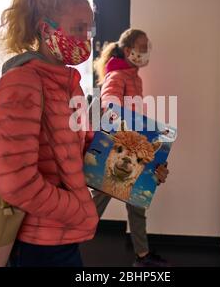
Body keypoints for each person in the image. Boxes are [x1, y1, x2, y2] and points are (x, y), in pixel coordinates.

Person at [0, 0, 99, 267]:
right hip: (38, 241)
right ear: (46, 29)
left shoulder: (69, 83)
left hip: (63, 234)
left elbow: (80, 151)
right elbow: (16, 183)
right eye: (77, 28)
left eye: (89, 29)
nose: (86, 38)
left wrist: (141, 167)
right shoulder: (21, 82)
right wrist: (77, 209)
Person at [93, 29, 170, 267]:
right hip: (118, 150)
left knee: (137, 202)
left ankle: (142, 256)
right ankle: (65, 244)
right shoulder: (117, 76)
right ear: (128, 51)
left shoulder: (134, 76)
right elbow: (109, 106)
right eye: (142, 46)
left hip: (133, 147)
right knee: (95, 205)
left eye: (148, 46)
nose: (146, 51)